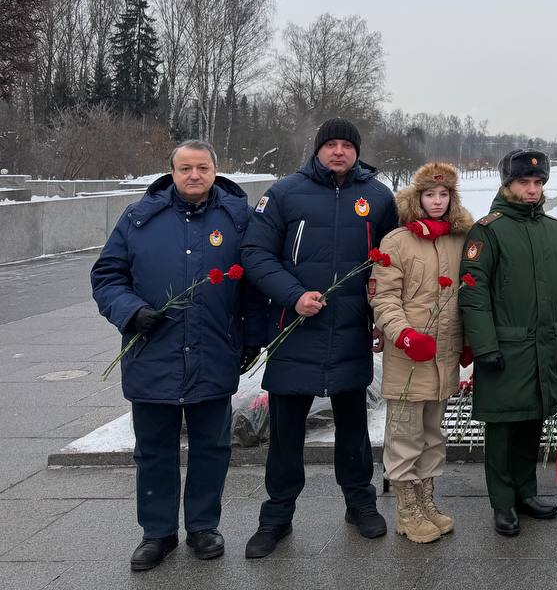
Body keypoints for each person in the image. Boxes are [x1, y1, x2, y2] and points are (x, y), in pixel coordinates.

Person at [91, 140, 263, 571]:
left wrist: (250, 338)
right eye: (184, 168)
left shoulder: (238, 218)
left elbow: (256, 282)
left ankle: (204, 525)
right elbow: (107, 275)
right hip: (153, 351)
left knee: (212, 446)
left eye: (202, 167)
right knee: (154, 449)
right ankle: (158, 532)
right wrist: (130, 312)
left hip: (213, 350)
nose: (193, 175)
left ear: (216, 170)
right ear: (171, 171)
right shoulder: (138, 218)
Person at [241, 118, 397, 558]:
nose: (339, 151)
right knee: (286, 432)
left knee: (353, 429)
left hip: (350, 330)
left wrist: (382, 312)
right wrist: (293, 296)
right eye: (330, 144)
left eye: (347, 145)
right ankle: (276, 516)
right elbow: (255, 253)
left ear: (357, 151)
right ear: (317, 150)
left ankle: (360, 504)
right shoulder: (285, 193)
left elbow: (393, 258)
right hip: (297, 331)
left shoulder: (378, 197)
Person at [458, 150, 557, 536]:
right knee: (502, 428)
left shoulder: (554, 230)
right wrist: (486, 346)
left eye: (538, 182)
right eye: (524, 182)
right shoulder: (488, 231)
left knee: (531, 422)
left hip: (541, 347)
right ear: (507, 184)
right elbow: (473, 295)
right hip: (504, 349)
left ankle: (526, 492)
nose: (532, 189)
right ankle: (503, 502)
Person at [370, 162, 474, 544]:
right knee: (405, 435)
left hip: (444, 356)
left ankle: (427, 501)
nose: (436, 201)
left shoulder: (459, 240)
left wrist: (468, 338)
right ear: (417, 198)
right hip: (408, 355)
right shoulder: (397, 242)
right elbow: (384, 299)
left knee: (433, 433)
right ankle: (406, 510)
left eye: (443, 195)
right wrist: (404, 335)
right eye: (429, 194)